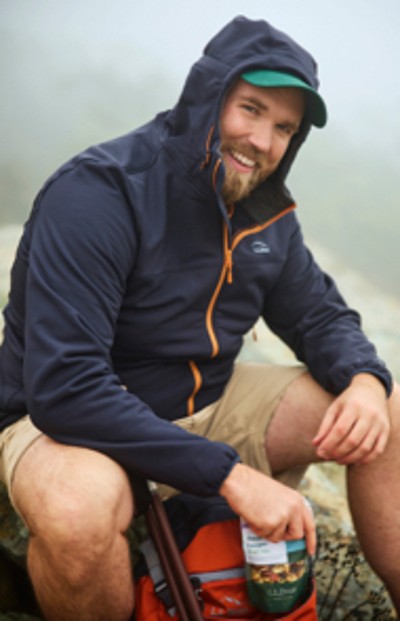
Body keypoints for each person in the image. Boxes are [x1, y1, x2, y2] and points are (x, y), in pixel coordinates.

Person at [0, 14, 399, 620]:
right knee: (79, 510)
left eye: (283, 127)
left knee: (388, 417)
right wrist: (231, 477)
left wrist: (367, 382)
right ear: (207, 96)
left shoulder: (265, 212)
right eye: (250, 109)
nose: (262, 141)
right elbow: (66, 390)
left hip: (205, 404)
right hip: (71, 424)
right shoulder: (99, 194)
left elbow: (321, 317)